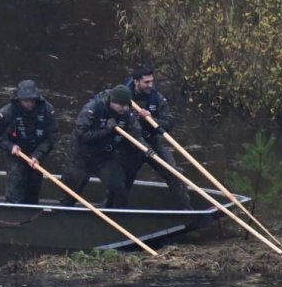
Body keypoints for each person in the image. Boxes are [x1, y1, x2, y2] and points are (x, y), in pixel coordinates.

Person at [60, 85, 150, 208]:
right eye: (121, 105)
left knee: (119, 188)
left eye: (127, 105)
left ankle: (117, 216)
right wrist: (106, 130)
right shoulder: (91, 109)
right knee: (71, 191)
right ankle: (63, 216)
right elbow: (82, 136)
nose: (125, 108)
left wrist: (145, 148)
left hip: (104, 157)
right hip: (81, 156)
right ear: (112, 102)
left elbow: (136, 133)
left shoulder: (126, 112)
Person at [120, 66, 192, 210]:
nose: (150, 85)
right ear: (136, 81)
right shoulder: (123, 96)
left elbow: (169, 123)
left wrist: (151, 118)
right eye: (146, 82)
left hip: (153, 142)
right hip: (131, 144)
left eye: (151, 81)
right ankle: (115, 210)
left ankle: (185, 210)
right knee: (122, 179)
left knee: (174, 173)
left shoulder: (157, 98)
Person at [0, 80, 59, 204]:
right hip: (16, 154)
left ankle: (31, 213)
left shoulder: (47, 110)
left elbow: (52, 138)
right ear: (19, 99)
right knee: (16, 184)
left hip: (37, 153)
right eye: (25, 101)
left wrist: (38, 155)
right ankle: (12, 212)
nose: (29, 104)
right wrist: (9, 146)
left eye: (32, 100)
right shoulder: (8, 111)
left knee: (34, 188)